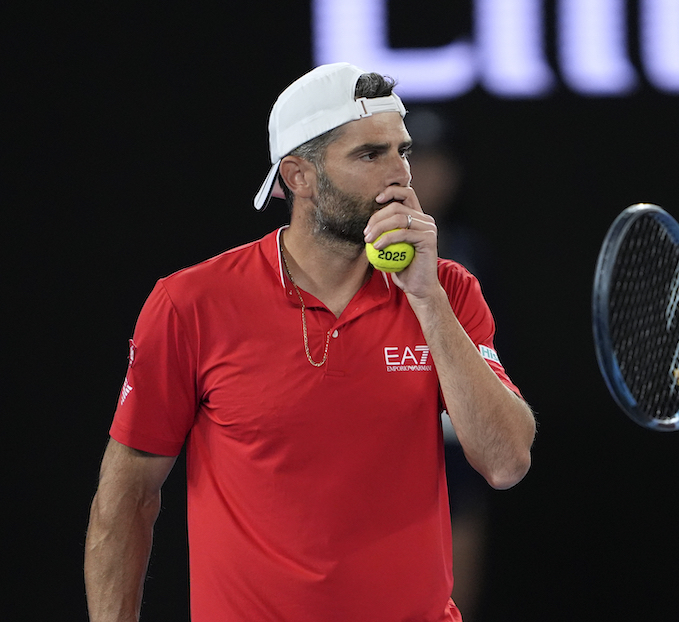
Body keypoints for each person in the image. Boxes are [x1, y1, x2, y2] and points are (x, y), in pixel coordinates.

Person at [84, 63, 537, 622]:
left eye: (403, 151)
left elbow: (506, 461)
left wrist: (427, 300)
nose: (400, 175)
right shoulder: (192, 304)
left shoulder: (449, 291)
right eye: (370, 155)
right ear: (298, 176)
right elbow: (126, 498)